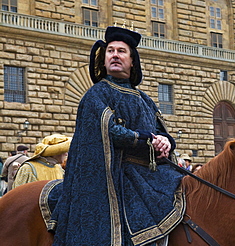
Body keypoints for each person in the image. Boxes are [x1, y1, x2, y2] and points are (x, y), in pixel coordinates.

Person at [49, 26, 185, 246]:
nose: (114, 55)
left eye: (121, 51)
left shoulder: (145, 99)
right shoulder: (97, 94)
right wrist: (147, 139)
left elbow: (161, 132)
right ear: (104, 61)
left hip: (148, 175)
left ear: (132, 62)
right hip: (115, 176)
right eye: (110, 51)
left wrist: (166, 142)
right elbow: (111, 131)